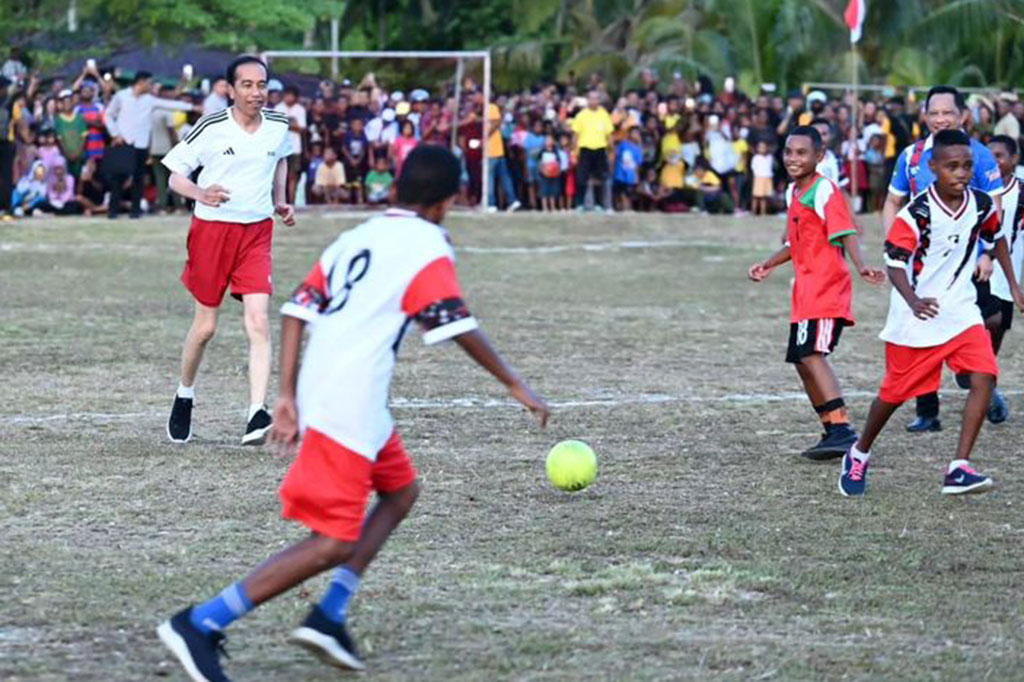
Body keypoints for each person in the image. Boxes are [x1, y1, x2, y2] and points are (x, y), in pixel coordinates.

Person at [156, 146, 550, 680]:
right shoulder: (427, 244)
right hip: (350, 401)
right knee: (334, 542)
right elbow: (455, 324)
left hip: (339, 392)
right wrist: (514, 383)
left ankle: (329, 613)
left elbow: (296, 309)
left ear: (397, 189)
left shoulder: (357, 237)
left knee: (401, 492)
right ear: (448, 201)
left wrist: (290, 395)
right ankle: (201, 622)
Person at [839, 130, 1024, 497]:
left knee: (985, 375)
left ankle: (959, 467)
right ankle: (859, 452)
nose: (961, 173)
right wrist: (912, 301)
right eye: (952, 166)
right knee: (892, 396)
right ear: (933, 167)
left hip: (959, 309)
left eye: (967, 165)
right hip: (918, 317)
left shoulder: (981, 203)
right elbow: (894, 264)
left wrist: (1015, 286)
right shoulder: (916, 213)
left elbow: (996, 236)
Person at [161, 55, 295, 446]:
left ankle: (257, 412)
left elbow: (281, 160)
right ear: (230, 90)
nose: (257, 92)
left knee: (258, 321)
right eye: (248, 85)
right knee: (205, 328)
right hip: (212, 232)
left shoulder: (278, 126)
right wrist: (201, 192)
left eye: (262, 85)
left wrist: (281, 199)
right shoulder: (212, 127)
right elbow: (174, 177)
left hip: (257, 232)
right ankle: (184, 393)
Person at [748, 126, 885, 460]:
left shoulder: (825, 191)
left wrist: (862, 265)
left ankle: (842, 429)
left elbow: (846, 231)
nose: (793, 159)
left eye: (802, 153)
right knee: (800, 358)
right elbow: (795, 243)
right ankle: (831, 428)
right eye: (789, 152)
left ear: (819, 157)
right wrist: (769, 263)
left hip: (826, 288)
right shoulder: (794, 192)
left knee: (811, 355)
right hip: (806, 292)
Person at [883, 86, 1004, 433]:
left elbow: (991, 209)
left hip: (966, 260)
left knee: (991, 318)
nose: (940, 119)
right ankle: (927, 411)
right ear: (924, 116)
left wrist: (985, 254)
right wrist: (894, 246)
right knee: (923, 325)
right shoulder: (911, 155)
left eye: (947, 112)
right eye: (933, 113)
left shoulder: (978, 156)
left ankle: (978, 380)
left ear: (963, 115)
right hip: (922, 261)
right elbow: (893, 202)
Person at [105, 71, 194, 219]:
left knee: (138, 178)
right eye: (149, 83)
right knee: (119, 178)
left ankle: (135, 210)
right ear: (141, 82)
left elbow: (169, 104)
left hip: (141, 143)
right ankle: (113, 210)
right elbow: (109, 114)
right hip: (124, 141)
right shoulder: (121, 96)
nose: (150, 86)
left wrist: (191, 107)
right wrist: (115, 134)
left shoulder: (149, 100)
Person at [983, 135, 1024, 422]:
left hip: (1007, 279)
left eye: (1000, 156)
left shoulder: (1020, 192)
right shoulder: (977, 190)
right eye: (989, 156)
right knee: (980, 328)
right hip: (979, 275)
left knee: (997, 333)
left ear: (1014, 159)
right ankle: (981, 381)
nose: (994, 162)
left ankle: (987, 381)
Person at [571, 90, 614, 212]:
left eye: (596, 99)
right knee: (581, 178)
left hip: (600, 149)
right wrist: (574, 151)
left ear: (599, 101)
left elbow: (609, 134)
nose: (594, 101)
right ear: (587, 100)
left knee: (600, 178)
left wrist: (611, 149)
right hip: (585, 149)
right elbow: (575, 135)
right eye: (591, 99)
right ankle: (580, 204)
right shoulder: (581, 115)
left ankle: (599, 204)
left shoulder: (604, 114)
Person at [485, 100, 521, 212]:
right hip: (497, 149)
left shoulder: (490, 107)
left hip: (492, 149)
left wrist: (484, 136)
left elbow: (496, 122)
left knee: (490, 177)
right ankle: (512, 200)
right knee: (504, 176)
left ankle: (491, 203)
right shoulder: (484, 109)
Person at [274, 85, 307, 204]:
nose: (288, 98)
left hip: (295, 147)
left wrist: (287, 124)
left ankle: (291, 202)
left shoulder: (300, 109)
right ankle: (279, 201)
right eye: (286, 95)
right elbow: (276, 127)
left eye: (291, 96)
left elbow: (302, 128)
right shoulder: (278, 108)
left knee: (293, 176)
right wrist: (292, 123)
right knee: (279, 176)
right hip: (280, 147)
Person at [53, 90, 87, 178]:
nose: (67, 105)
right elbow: (60, 139)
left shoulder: (79, 117)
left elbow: (83, 137)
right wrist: (68, 154)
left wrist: (78, 153)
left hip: (80, 156)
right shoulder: (58, 120)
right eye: (64, 103)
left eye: (69, 102)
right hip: (66, 156)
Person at [612, 126, 642, 210]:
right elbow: (616, 155)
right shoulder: (623, 144)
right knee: (620, 192)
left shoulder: (637, 149)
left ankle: (626, 207)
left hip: (630, 175)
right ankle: (622, 207)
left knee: (628, 193)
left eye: (637, 133)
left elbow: (638, 164)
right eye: (634, 133)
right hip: (620, 173)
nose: (636, 135)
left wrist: (636, 176)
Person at [538, 134, 561, 212]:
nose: (549, 142)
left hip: (554, 175)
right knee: (544, 191)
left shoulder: (555, 151)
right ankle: (545, 207)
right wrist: (542, 170)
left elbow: (558, 162)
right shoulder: (542, 151)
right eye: (547, 140)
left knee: (553, 191)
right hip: (544, 174)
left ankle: (553, 207)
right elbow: (540, 162)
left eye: (550, 140)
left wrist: (556, 170)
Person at [750, 140, 773, 215]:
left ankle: (763, 212)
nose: (762, 149)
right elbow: (753, 167)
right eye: (760, 147)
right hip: (758, 177)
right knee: (756, 196)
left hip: (767, 177)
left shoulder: (770, 157)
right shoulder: (756, 157)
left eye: (764, 147)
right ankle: (753, 211)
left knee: (764, 197)